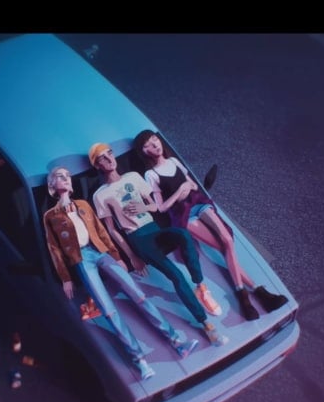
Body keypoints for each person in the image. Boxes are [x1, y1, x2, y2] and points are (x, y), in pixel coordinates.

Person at [43, 166, 199, 380]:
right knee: (108, 309)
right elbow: (55, 249)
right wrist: (66, 278)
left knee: (139, 295)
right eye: (61, 177)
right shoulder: (50, 216)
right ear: (52, 185)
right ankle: (140, 360)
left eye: (68, 176)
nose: (67, 179)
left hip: (101, 253)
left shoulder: (83, 205)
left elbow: (101, 231)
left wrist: (116, 256)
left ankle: (177, 342)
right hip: (81, 261)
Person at [132, 129, 288, 320]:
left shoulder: (173, 162)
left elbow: (194, 186)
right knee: (224, 247)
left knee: (227, 241)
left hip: (198, 204)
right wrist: (180, 190)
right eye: (147, 145)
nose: (154, 144)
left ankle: (246, 297)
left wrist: (188, 186)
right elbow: (161, 207)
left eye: (154, 139)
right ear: (144, 152)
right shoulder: (151, 174)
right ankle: (257, 294)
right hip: (183, 216)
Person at [88, 143, 229, 347]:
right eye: (102, 157)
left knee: (182, 234)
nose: (109, 158)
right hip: (138, 238)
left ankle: (201, 287)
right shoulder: (100, 195)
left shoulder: (133, 177)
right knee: (175, 275)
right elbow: (112, 230)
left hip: (153, 228)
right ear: (97, 165)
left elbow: (154, 205)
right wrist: (131, 256)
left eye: (110, 153)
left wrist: (143, 206)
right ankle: (207, 326)